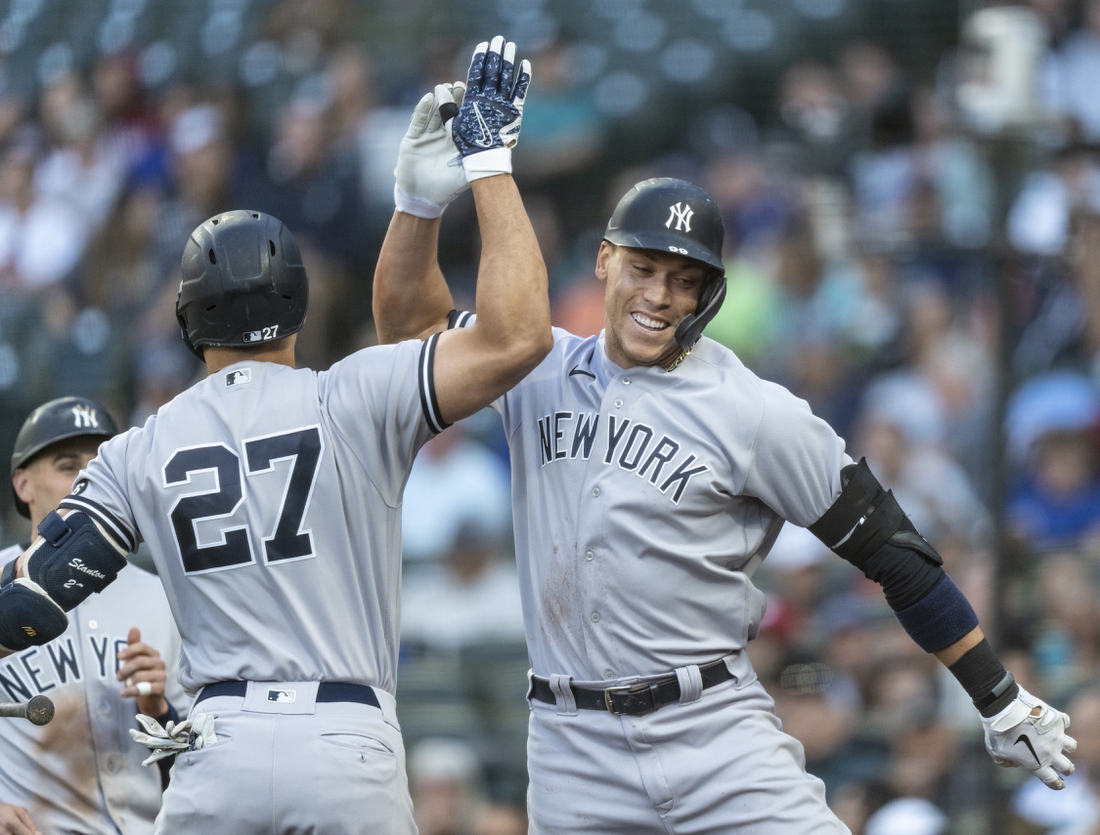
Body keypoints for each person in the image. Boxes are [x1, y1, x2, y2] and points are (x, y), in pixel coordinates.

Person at [373, 136, 1077, 829]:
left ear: (711, 292)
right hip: (571, 749)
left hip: (711, 731)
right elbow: (410, 328)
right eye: (644, 269)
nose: (660, 295)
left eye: (685, 281)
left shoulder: (753, 409)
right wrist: (418, 205)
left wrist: (999, 695)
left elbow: (894, 552)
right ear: (604, 262)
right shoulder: (534, 364)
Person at [0, 36, 548, 835]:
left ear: (188, 320)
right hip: (345, 737)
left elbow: (37, 599)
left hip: (215, 750)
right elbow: (516, 337)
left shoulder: (140, 448)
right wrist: (478, 172)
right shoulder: (354, 393)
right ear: (297, 306)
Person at [0, 396, 185, 835]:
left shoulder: (165, 597)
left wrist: (158, 710)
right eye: (67, 467)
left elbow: (195, 756)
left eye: (98, 468)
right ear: (24, 485)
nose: (86, 481)